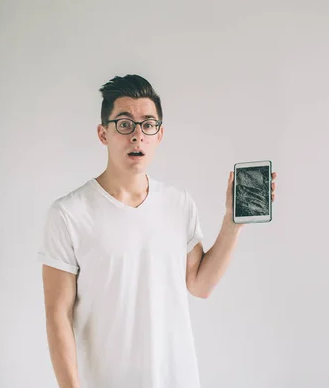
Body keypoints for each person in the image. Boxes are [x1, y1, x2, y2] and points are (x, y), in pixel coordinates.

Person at [37, 74, 277, 388]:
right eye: (124, 124)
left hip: (177, 378)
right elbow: (57, 316)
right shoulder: (69, 213)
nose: (137, 135)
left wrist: (232, 223)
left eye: (148, 124)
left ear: (159, 134)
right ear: (103, 133)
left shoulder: (178, 203)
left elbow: (200, 285)